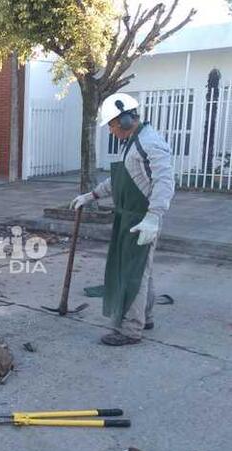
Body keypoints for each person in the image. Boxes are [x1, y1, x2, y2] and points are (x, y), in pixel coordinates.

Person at [71, 93, 175, 346]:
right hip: (129, 216)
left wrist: (153, 217)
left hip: (142, 218)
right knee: (141, 271)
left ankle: (130, 330)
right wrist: (92, 194)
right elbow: (120, 179)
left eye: (112, 125)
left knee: (132, 273)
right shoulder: (132, 142)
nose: (111, 130)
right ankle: (144, 317)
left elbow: (165, 181)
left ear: (127, 119)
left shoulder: (150, 143)